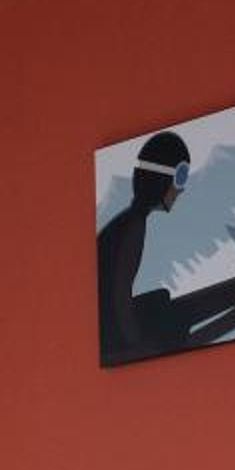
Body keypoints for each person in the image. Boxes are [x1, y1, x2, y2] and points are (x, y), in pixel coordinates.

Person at [98, 129, 193, 363]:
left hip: (109, 321)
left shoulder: (128, 221)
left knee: (161, 298)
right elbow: (119, 293)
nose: (181, 189)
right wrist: (136, 344)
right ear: (162, 180)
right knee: (170, 316)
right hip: (111, 331)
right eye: (180, 177)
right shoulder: (134, 226)